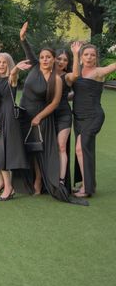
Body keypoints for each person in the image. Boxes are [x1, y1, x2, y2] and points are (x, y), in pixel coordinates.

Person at [18, 23, 86, 205]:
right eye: (43, 57)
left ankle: (57, 182)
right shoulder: (35, 66)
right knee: (30, 150)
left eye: (49, 57)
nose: (46, 59)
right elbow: (29, 51)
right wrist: (23, 37)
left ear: (54, 59)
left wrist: (77, 53)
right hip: (30, 114)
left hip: (54, 114)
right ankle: (25, 181)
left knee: (57, 147)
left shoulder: (59, 78)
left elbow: (56, 101)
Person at [72, 43, 116, 197]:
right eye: (86, 54)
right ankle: (88, 184)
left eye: (92, 55)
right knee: (85, 150)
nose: (89, 57)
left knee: (80, 148)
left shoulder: (99, 71)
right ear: (81, 57)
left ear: (96, 57)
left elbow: (113, 66)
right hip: (78, 117)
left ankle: (87, 189)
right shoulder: (77, 72)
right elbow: (77, 93)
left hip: (93, 116)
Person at [0, 53, 31, 200]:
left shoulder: (11, 78)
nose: (1, 65)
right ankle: (1, 182)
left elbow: (13, 74)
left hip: (8, 116)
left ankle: (9, 187)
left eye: (4, 62)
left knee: (2, 152)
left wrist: (16, 68)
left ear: (9, 64)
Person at [52, 44, 81, 191]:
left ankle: (61, 181)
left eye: (65, 60)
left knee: (61, 146)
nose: (61, 62)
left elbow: (75, 75)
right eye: (59, 59)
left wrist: (75, 54)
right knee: (49, 148)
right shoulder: (46, 74)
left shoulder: (66, 77)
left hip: (64, 115)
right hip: (48, 115)